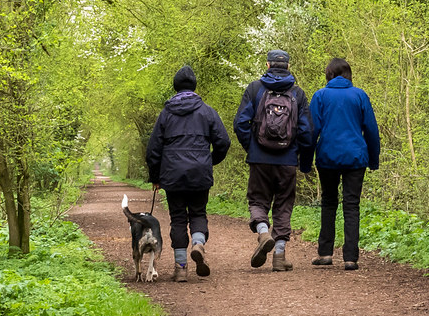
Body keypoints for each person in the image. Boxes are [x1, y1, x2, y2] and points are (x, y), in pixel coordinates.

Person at [147, 65, 231, 282]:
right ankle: (198, 243)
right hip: (199, 172)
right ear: (194, 87)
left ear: (175, 88)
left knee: (177, 218)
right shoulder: (207, 111)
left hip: (172, 175)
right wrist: (209, 161)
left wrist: (155, 177)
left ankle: (181, 267)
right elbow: (223, 142)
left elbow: (153, 149)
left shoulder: (166, 114)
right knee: (198, 213)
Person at [233, 49, 313, 271]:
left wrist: (252, 147)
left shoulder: (255, 89)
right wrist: (302, 159)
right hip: (287, 160)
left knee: (258, 201)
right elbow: (307, 132)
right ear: (288, 67)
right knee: (284, 205)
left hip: (259, 159)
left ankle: (262, 232)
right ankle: (279, 255)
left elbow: (240, 123)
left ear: (267, 65)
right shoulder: (297, 94)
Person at [303, 58, 380, 271]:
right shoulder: (360, 95)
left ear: (329, 74)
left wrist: (306, 161)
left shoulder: (320, 96)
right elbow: (371, 130)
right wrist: (373, 159)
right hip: (356, 157)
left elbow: (312, 131)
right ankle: (350, 258)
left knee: (328, 202)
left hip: (328, 156)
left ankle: (325, 253)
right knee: (351, 205)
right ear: (348, 74)